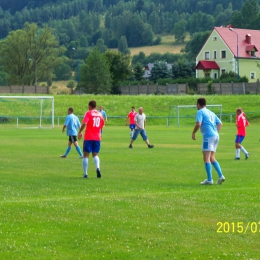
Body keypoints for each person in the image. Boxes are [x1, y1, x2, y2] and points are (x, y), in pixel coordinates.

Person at [192, 98, 225, 185]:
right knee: (211, 157)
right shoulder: (211, 112)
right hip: (216, 136)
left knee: (206, 158)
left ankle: (210, 180)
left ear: (198, 104)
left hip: (208, 137)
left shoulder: (200, 112)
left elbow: (198, 123)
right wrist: (215, 133)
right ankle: (221, 176)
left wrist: (193, 133)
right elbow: (220, 123)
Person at [78, 100, 104, 178]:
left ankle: (85, 173)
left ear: (89, 106)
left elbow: (85, 123)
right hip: (97, 137)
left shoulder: (88, 113)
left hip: (89, 136)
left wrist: (80, 131)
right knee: (95, 154)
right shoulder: (100, 114)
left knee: (86, 155)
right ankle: (98, 168)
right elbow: (101, 125)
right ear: (95, 106)